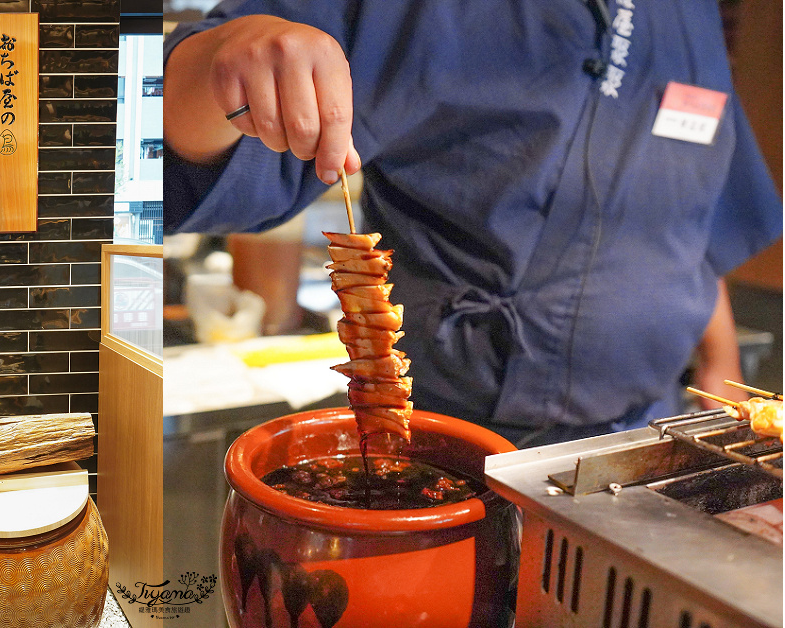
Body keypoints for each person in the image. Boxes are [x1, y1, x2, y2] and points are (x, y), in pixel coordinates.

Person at [163, 1, 783, 446]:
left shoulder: (691, 14)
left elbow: (697, 219)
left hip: (652, 430)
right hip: (450, 436)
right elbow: (166, 144)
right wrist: (224, 54)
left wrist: (719, 374)